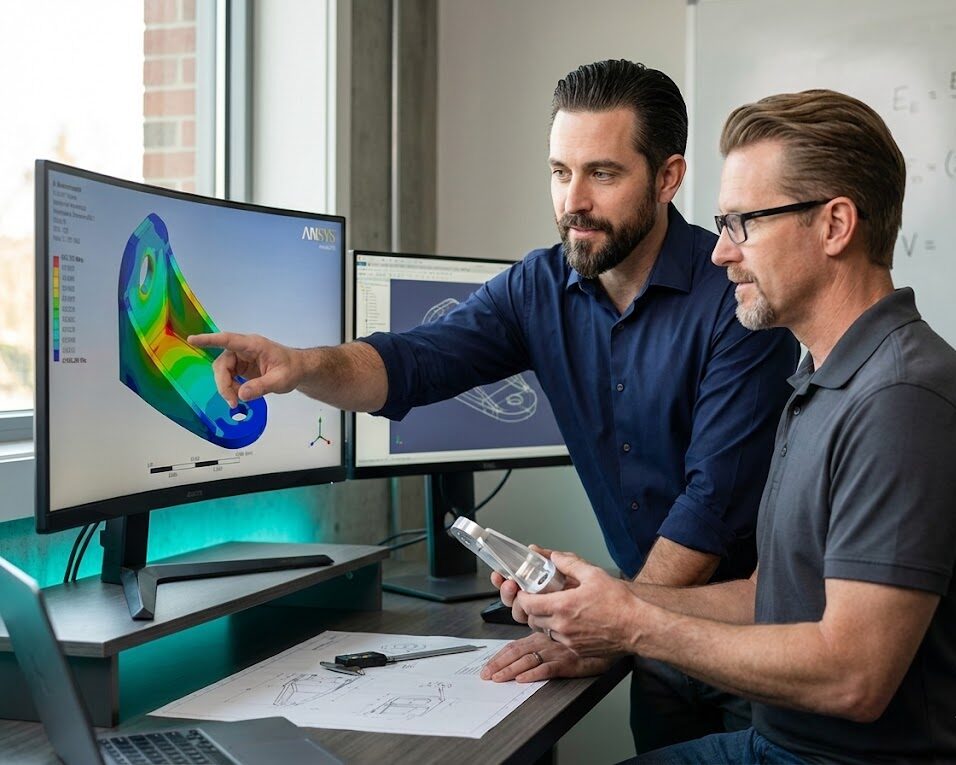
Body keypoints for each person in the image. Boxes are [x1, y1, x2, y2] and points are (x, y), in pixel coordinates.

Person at [188, 60, 798, 751]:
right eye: (560, 172)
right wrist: (301, 365)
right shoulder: (539, 287)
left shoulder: (736, 294)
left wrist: (611, 619)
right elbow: (410, 363)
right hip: (653, 650)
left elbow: (708, 509)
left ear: (667, 178)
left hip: (756, 647)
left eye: (602, 173)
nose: (574, 201)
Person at [488, 88, 956, 764]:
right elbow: (772, 596)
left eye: (743, 223)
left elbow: (855, 675)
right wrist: (608, 603)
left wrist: (635, 623)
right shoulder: (822, 382)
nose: (719, 254)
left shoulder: (900, 399)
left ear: (834, 225)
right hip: (781, 742)